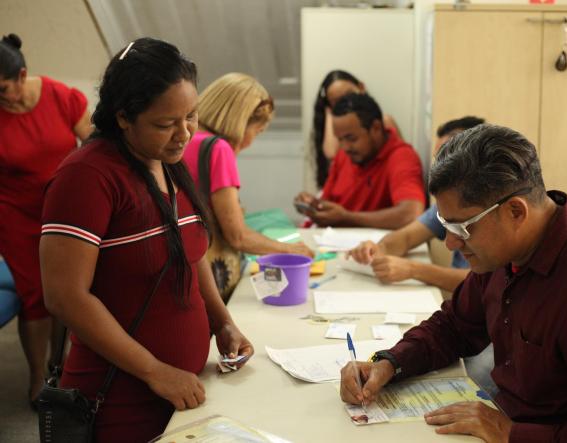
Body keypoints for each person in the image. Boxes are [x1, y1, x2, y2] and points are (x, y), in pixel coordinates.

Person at [340, 125, 567, 442]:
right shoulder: (503, 252)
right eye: (444, 225)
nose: (451, 244)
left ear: (515, 212)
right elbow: (455, 326)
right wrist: (390, 363)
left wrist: (511, 433)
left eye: (462, 228)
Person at [39, 38, 254, 441]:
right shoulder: (87, 176)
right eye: (165, 123)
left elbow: (191, 256)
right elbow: (66, 296)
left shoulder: (167, 164)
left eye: (191, 116)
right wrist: (156, 371)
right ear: (123, 117)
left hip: (179, 391)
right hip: (120, 398)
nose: (184, 133)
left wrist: (222, 322)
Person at [0, 33, 93, 406]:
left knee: (66, 290)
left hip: (62, 210)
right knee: (35, 294)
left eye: (3, 87)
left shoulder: (60, 97)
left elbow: (93, 142)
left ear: (22, 75)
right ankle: (37, 377)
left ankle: (62, 363)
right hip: (15, 213)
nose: (1, 96)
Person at [182, 73, 313, 300]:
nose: (252, 141)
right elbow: (237, 236)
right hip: (209, 281)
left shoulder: (183, 142)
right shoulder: (218, 149)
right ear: (241, 122)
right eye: (257, 132)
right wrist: (291, 250)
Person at [348, 116, 485, 291]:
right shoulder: (448, 205)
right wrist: (377, 249)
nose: (439, 170)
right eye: (438, 160)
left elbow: (481, 283)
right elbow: (406, 237)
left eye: (447, 160)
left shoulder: (490, 213)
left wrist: (413, 269)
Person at [295, 93, 425, 229]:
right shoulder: (345, 154)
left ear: (375, 128)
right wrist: (312, 205)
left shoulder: (401, 157)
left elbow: (411, 214)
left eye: (351, 138)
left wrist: (347, 217)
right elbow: (327, 202)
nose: (344, 147)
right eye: (340, 139)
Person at [311, 70, 399, 189]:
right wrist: (329, 111)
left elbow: (398, 159)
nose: (346, 102)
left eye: (349, 94)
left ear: (361, 88)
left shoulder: (383, 122)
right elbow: (331, 152)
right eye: (336, 102)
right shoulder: (338, 131)